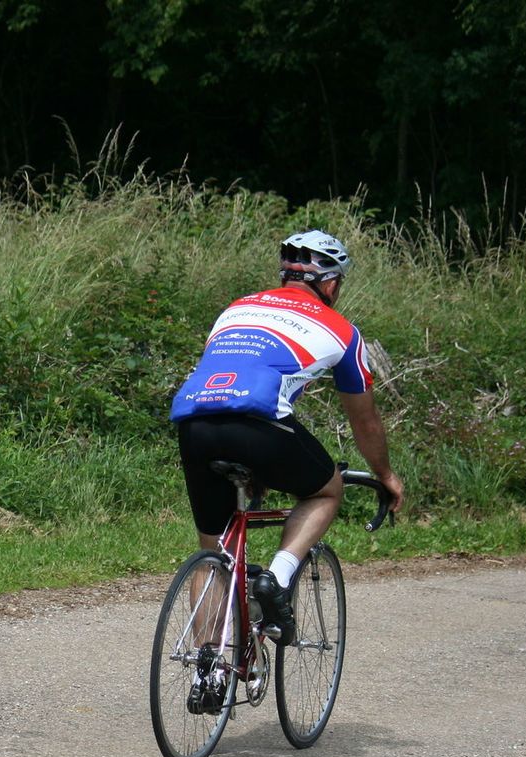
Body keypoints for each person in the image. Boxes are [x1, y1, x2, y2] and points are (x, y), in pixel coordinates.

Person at [169, 230, 404, 638]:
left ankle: (207, 663)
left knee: (216, 553)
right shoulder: (343, 331)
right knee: (327, 490)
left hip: (194, 423)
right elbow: (364, 422)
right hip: (259, 425)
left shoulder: (236, 309)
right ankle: (276, 578)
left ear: (285, 276)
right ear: (331, 284)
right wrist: (385, 474)